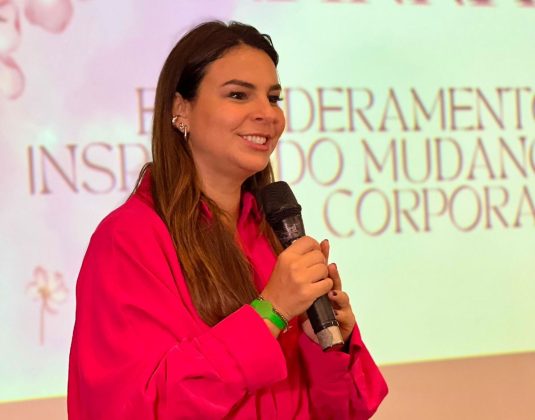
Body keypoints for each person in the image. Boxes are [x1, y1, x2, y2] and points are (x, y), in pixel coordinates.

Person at [68, 20, 387, 419]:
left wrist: (324, 340)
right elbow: (135, 408)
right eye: (238, 94)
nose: (267, 114)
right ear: (180, 109)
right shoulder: (128, 239)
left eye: (273, 98)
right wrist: (271, 311)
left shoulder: (271, 234)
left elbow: (341, 410)